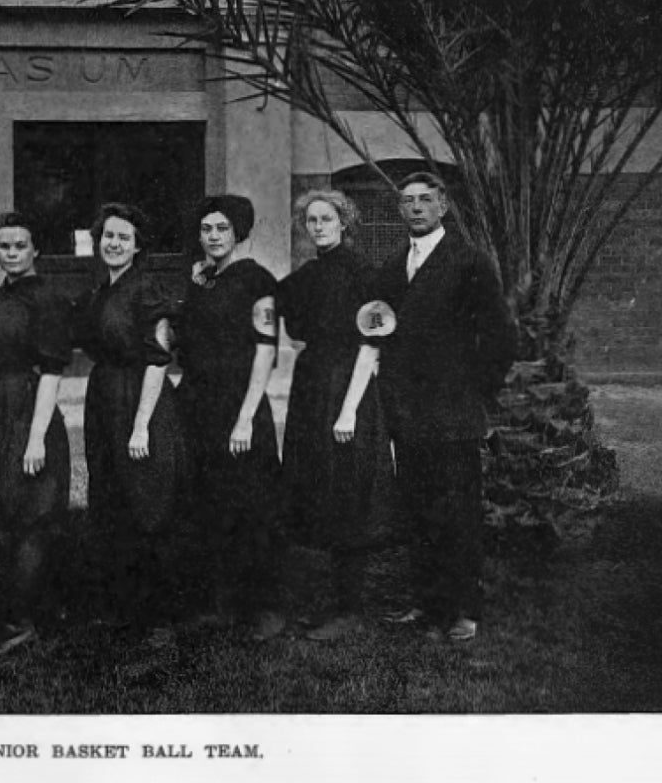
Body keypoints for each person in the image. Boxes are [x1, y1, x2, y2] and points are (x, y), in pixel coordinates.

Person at [374, 172, 516, 642]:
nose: (415, 207)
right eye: (407, 200)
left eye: (425, 200)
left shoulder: (469, 261)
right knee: (418, 509)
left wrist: (476, 393)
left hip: (453, 413)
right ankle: (426, 601)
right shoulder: (394, 265)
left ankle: (464, 610)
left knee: (458, 513)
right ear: (400, 210)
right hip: (409, 413)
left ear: (444, 206)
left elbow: (499, 337)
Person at [277, 190, 396, 642]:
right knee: (320, 488)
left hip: (350, 390)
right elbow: (272, 307)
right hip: (312, 388)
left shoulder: (363, 273)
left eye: (328, 219)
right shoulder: (306, 276)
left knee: (348, 492)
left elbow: (371, 343)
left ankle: (350, 608)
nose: (319, 226)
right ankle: (330, 603)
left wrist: (348, 410)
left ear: (345, 222)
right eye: (312, 220)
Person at [74, 202, 187, 643]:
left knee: (148, 501)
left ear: (138, 245)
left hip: (141, 400)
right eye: (108, 236)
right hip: (105, 397)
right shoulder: (102, 288)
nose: (115, 244)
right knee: (113, 500)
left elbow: (158, 361)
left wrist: (141, 425)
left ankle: (160, 618)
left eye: (124, 237)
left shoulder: (147, 290)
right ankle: (125, 606)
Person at [177, 194, 285, 641]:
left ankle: (264, 608)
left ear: (238, 232)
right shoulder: (201, 280)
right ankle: (220, 603)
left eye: (222, 229)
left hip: (240, 407)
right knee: (207, 505)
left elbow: (265, 352)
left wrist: (244, 419)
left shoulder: (256, 280)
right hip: (198, 404)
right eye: (207, 229)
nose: (214, 236)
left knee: (251, 507)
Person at [0, 212, 73, 656]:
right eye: (3, 246)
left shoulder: (45, 298)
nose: (10, 253)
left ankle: (22, 620)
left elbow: (50, 370)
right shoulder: (2, 294)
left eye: (19, 246)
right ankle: (14, 608)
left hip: (26, 409)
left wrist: (35, 437)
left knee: (30, 516)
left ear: (36, 251)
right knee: (4, 513)